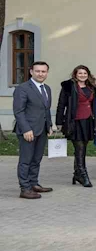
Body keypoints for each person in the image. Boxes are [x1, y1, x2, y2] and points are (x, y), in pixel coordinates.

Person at [14, 60, 54, 199]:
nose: (40, 74)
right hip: (28, 131)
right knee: (26, 160)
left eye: (43, 71)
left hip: (41, 129)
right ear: (31, 72)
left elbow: (46, 109)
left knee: (36, 159)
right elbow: (19, 111)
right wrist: (26, 129)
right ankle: (24, 188)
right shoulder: (23, 88)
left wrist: (49, 125)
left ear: (47, 73)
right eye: (37, 71)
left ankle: (33, 183)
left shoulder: (47, 88)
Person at [57, 65, 96, 188]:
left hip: (88, 121)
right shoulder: (68, 87)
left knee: (83, 148)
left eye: (84, 73)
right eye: (80, 73)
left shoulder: (92, 87)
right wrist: (59, 122)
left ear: (88, 75)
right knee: (79, 147)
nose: (82, 75)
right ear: (75, 74)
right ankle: (83, 174)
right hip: (74, 121)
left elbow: (94, 104)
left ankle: (77, 173)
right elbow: (61, 104)